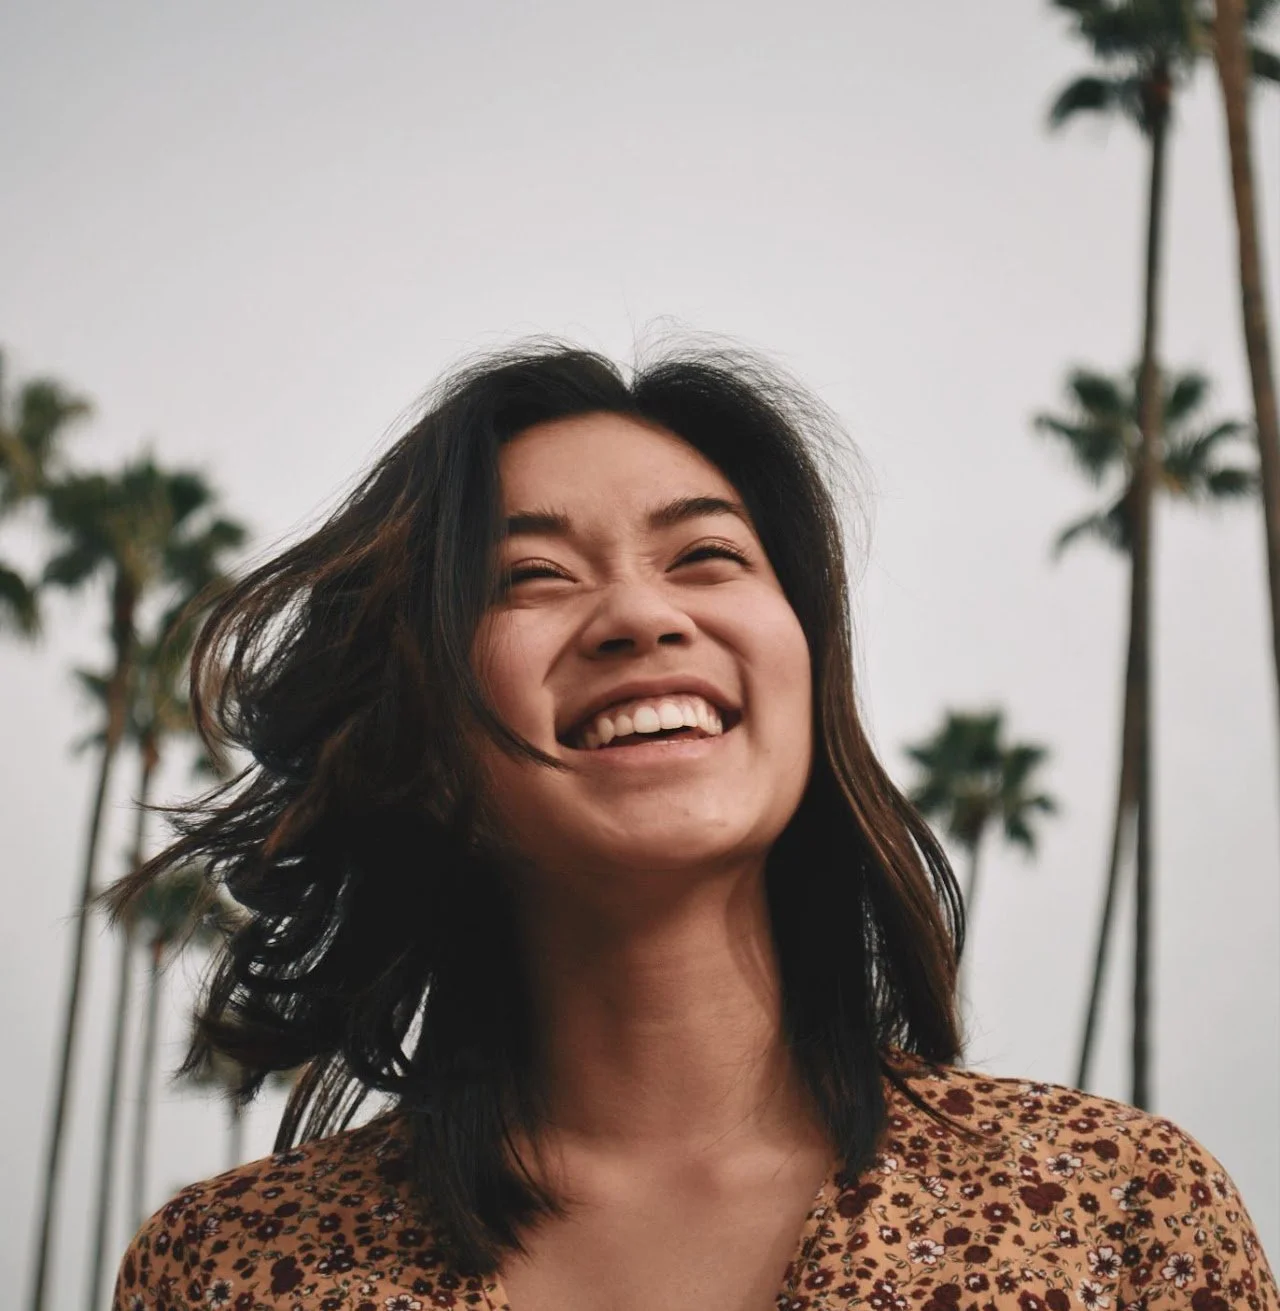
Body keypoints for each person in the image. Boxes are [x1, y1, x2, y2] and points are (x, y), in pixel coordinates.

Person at [109, 343, 1274, 1311]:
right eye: (531, 576)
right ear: (423, 726)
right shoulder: (227, 1271)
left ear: (806, 663)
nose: (637, 613)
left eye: (706, 556)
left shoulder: (1115, 1213)